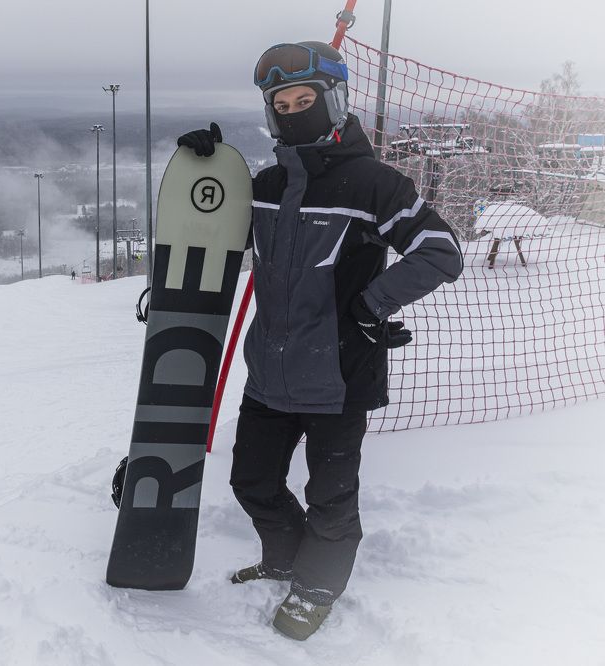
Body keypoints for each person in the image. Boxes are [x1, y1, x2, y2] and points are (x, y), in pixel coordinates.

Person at [177, 41, 463, 640]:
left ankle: (316, 587)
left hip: (339, 376)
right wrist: (205, 171)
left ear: (334, 102)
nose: (292, 112)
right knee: (251, 481)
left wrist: (371, 305)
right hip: (270, 374)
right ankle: (286, 558)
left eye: (304, 100)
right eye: (281, 105)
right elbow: (211, 229)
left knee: (331, 497)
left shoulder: (373, 184)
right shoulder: (266, 183)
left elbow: (442, 251)